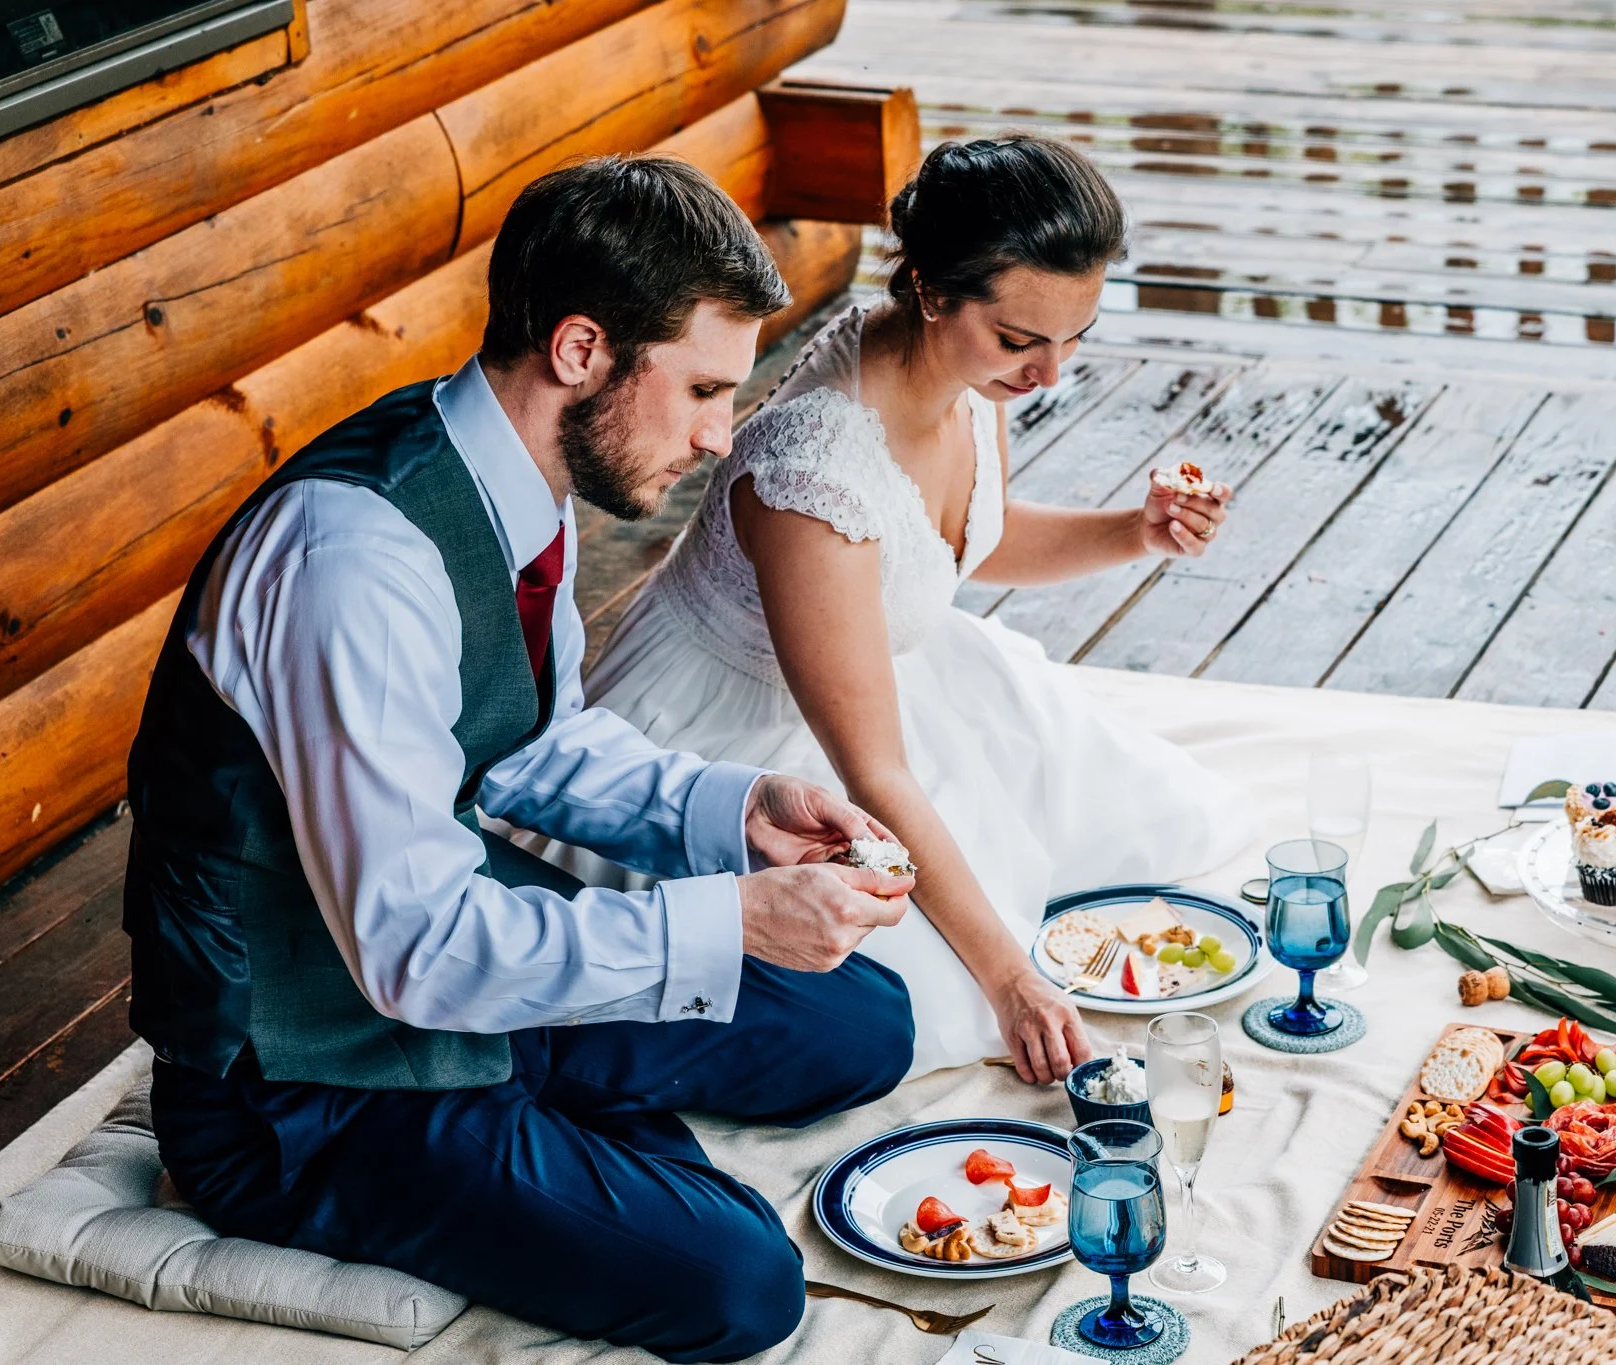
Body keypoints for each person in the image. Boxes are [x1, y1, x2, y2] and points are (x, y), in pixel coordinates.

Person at [121, 156, 917, 1363]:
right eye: (703, 389)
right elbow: (412, 954)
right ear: (583, 351)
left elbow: (529, 742)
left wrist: (733, 811)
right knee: (743, 1283)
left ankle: (548, 1111)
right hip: (302, 1071)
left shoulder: (521, 482)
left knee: (859, 1023)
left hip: (446, 964)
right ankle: (544, 1139)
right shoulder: (355, 560)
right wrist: (731, 924)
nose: (720, 439)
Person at [559, 137, 1254, 1085]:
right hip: (748, 741)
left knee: (1157, 815)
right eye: (1020, 340)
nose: (1050, 373)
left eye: (1074, 336)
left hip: (882, 673)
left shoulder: (970, 373)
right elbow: (875, 771)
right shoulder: (814, 478)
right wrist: (1010, 975)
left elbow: (964, 540)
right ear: (930, 290)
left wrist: (1138, 531)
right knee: (949, 1000)